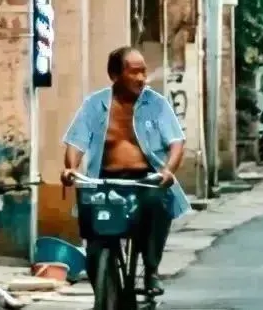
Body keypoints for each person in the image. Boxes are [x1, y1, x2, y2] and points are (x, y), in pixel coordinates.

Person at [60, 47, 187, 297]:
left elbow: (176, 142)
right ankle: (101, 281)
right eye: (134, 72)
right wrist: (71, 168)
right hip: (104, 180)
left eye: (143, 72)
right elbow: (76, 141)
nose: (141, 78)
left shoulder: (156, 103)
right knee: (92, 230)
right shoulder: (95, 105)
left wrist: (167, 171)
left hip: (145, 180)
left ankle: (151, 269)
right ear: (114, 75)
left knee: (158, 204)